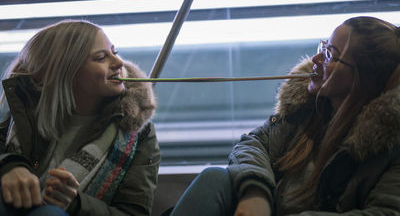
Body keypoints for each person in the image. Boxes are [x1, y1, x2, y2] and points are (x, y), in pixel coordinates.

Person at [169, 16, 400, 216]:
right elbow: (255, 143)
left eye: (331, 55)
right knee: (214, 178)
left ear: (363, 77)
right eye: (323, 47)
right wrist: (255, 192)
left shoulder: (389, 143)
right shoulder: (306, 113)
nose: (316, 60)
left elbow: (386, 212)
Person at [0, 20, 160, 215]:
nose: (119, 62)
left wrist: (76, 205)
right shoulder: (26, 114)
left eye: (114, 52)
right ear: (67, 73)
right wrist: (9, 166)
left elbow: (134, 213)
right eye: (101, 57)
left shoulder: (137, 133)